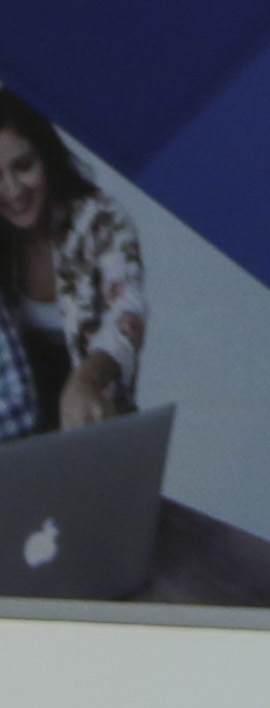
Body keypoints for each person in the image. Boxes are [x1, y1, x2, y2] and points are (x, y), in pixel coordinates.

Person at [0, 88, 151, 442]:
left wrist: (87, 380)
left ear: (47, 155)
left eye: (23, 166)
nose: (13, 190)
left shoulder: (100, 219)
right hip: (18, 444)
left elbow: (127, 313)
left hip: (96, 423)